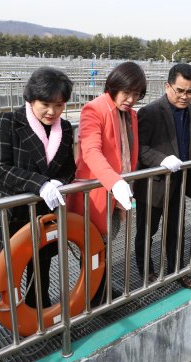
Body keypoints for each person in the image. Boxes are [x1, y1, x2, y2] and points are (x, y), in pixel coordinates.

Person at [0, 67, 76, 309]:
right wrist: (40, 183)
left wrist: (59, 182)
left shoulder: (64, 128)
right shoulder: (9, 121)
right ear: (30, 98)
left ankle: (38, 310)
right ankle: (12, 317)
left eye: (60, 104)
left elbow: (68, 168)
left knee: (41, 265)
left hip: (44, 212)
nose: (52, 111)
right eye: (45, 103)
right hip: (12, 212)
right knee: (9, 269)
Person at [68, 61, 147, 302]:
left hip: (117, 193)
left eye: (136, 94)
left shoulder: (130, 114)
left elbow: (128, 152)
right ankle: (92, 295)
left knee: (105, 243)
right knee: (93, 245)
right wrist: (115, 182)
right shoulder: (94, 109)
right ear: (113, 86)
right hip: (97, 193)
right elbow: (90, 151)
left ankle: (99, 289)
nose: (131, 99)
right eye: (127, 93)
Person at [133, 63, 191, 290]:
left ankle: (177, 270)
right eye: (180, 90)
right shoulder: (150, 112)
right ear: (168, 86)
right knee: (147, 231)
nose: (185, 96)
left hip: (179, 181)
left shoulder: (190, 110)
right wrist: (162, 160)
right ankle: (146, 271)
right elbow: (141, 148)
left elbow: (190, 139)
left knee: (176, 230)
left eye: (190, 91)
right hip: (154, 185)